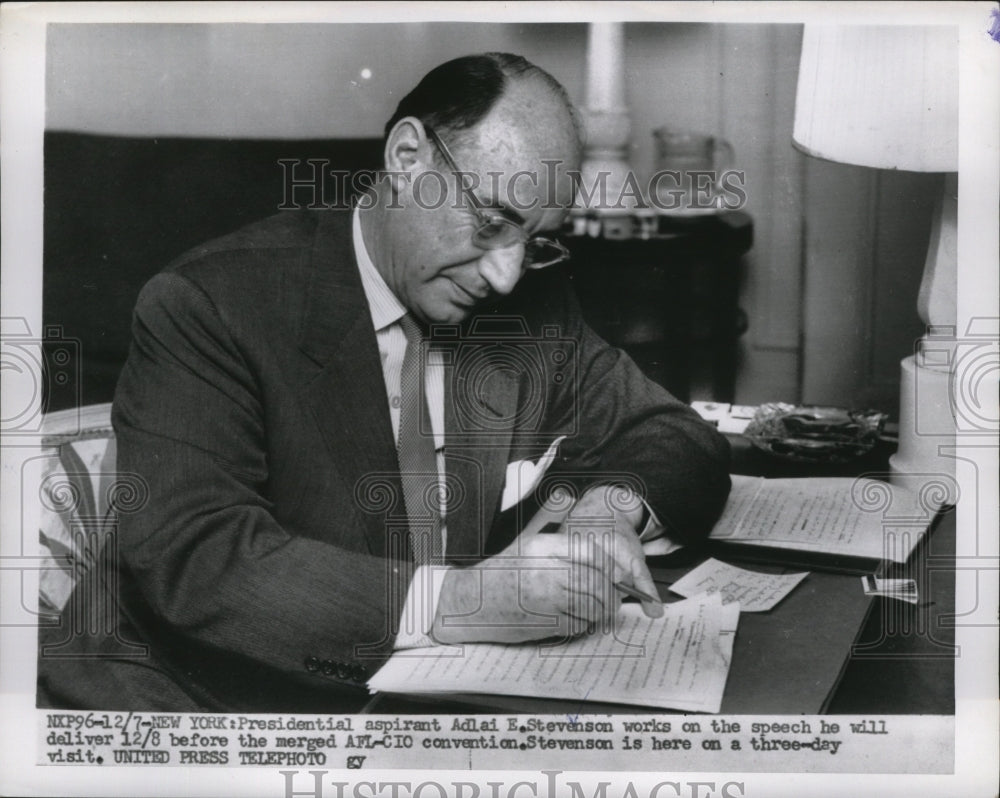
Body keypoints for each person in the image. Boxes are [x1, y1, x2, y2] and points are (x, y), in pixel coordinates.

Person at [38, 53, 730, 712]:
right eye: (491, 224)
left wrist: (608, 509)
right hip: (194, 705)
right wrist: (459, 602)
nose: (506, 276)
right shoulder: (210, 304)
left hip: (428, 698)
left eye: (537, 240)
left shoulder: (526, 304)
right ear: (407, 159)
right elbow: (198, 558)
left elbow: (671, 434)